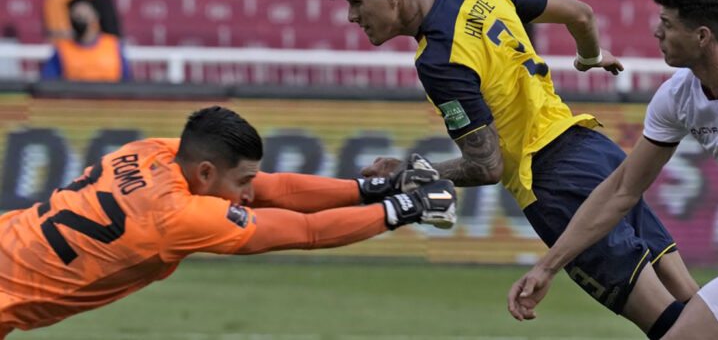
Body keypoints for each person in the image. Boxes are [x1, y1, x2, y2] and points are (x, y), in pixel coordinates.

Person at [329, 0, 700, 339]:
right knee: (698, 307)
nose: (351, 16)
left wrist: (409, 172)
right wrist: (590, 57)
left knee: (673, 329)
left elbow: (488, 166)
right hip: (595, 151)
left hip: (554, 183)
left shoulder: (438, 59)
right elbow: (581, 14)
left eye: (355, 1)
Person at [0, 106, 456, 338]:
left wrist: (371, 190)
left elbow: (272, 188)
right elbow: (307, 233)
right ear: (205, 174)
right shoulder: (178, 216)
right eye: (241, 182)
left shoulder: (149, 152)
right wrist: (407, 210)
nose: (247, 193)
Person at [508, 0, 718, 339]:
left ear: (702, 36)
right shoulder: (677, 98)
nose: (656, 31)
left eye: (667, 23)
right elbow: (621, 191)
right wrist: (547, 268)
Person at [41, 0, 129, 82]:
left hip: (110, 96)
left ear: (95, 16)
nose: (79, 19)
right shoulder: (63, 49)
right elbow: (48, 81)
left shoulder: (113, 45)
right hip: (74, 95)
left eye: (83, 15)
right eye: (76, 16)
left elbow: (126, 80)